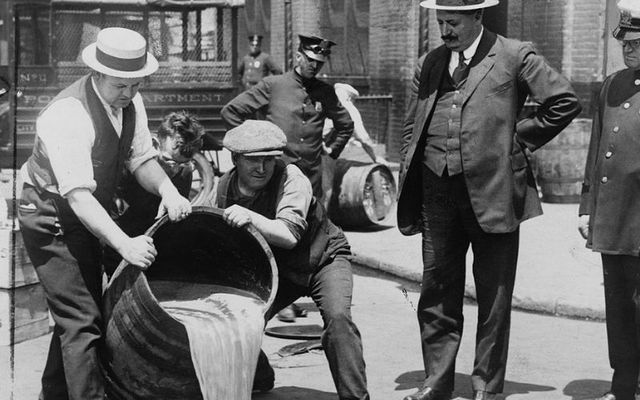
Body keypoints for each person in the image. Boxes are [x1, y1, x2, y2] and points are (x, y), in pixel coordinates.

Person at [398, 1, 582, 399]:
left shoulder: (515, 54)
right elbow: (412, 127)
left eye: (453, 22)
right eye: (440, 22)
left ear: (478, 17)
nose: (445, 30)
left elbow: (564, 101)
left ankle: (487, 386)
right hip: (437, 193)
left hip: (494, 191)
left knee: (494, 295)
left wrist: (518, 140)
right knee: (437, 291)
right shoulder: (429, 64)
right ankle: (436, 382)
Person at [17, 27, 192, 400]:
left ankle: (54, 394)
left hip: (85, 210)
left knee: (81, 312)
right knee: (82, 319)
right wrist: (125, 243)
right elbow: (79, 197)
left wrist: (168, 189)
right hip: (50, 214)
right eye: (119, 86)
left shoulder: (130, 102)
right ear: (96, 74)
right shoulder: (68, 114)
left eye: (135, 85)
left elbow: (141, 158)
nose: (127, 94)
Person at [214, 119, 369, 400]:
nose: (262, 168)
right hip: (280, 269)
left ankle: (356, 397)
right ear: (235, 158)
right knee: (241, 318)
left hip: (324, 259)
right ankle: (260, 376)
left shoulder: (292, 178)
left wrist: (251, 216)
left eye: (269, 160)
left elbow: (288, 235)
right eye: (253, 161)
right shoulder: (224, 187)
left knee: (338, 320)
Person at [578, 1, 640, 399]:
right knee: (617, 302)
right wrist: (587, 207)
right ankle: (624, 379)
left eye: (636, 43)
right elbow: (597, 149)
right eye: (625, 43)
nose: (628, 50)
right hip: (614, 218)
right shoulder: (612, 85)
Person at [221, 34, 354, 202]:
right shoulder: (273, 85)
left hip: (310, 176)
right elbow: (231, 112)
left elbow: (346, 125)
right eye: (310, 60)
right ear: (298, 57)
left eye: (320, 62)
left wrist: (332, 150)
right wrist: (252, 147)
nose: (315, 66)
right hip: (275, 174)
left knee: (310, 221)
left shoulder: (325, 92)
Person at [102, 110, 205, 277]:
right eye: (169, 161)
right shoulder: (128, 169)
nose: (174, 170)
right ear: (155, 145)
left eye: (183, 164)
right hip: (120, 241)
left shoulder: (184, 172)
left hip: (153, 244)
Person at [321, 82, 389, 211]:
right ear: (350, 98)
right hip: (325, 151)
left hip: (307, 147)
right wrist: (375, 157)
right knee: (326, 187)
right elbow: (363, 138)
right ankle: (321, 224)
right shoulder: (349, 109)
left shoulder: (325, 103)